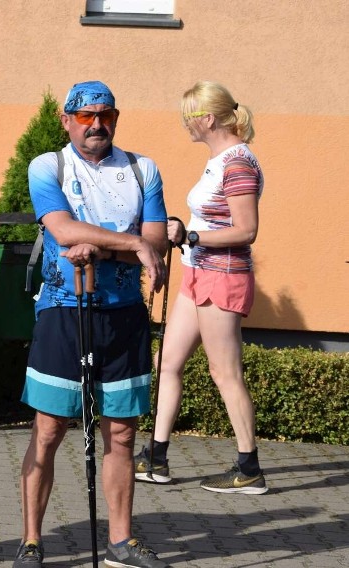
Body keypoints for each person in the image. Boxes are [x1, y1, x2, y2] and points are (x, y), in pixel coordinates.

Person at [14, 81, 170, 568]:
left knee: (122, 434)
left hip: (124, 316)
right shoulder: (49, 165)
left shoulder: (143, 169)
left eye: (105, 115)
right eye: (85, 117)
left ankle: (121, 541)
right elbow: (61, 229)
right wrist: (130, 244)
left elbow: (158, 241)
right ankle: (32, 541)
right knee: (49, 430)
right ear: (67, 121)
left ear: (116, 118)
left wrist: (103, 247)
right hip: (64, 311)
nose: (96, 124)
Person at [134, 81, 266, 494]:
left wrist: (190, 237)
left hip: (222, 277)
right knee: (168, 362)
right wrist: (187, 234)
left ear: (207, 119)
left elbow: (246, 230)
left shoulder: (238, 163)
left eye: (189, 116)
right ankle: (156, 458)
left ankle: (249, 469)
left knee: (224, 372)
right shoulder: (219, 160)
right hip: (197, 275)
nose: (185, 123)